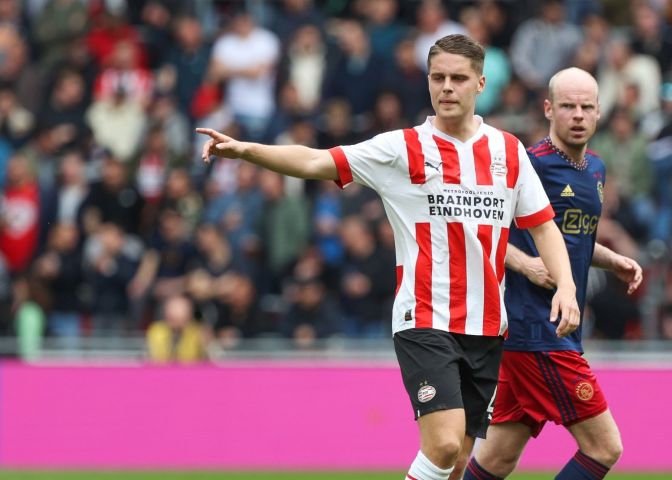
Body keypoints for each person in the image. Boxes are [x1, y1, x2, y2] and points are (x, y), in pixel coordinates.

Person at [198, 34, 579, 480]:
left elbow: (543, 226)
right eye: (438, 77)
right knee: (445, 443)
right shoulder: (401, 148)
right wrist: (245, 150)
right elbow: (316, 161)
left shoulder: (508, 152)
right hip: (424, 319)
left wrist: (567, 286)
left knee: (455, 464)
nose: (447, 87)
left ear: (480, 83)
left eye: (458, 78)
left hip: (487, 327)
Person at [463, 68, 643, 480]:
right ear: (549, 109)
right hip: (537, 331)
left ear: (599, 113)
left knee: (497, 460)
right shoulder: (528, 165)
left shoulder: (595, 169)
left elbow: (569, 241)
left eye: (586, 107)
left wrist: (613, 260)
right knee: (604, 447)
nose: (577, 115)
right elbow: (479, 230)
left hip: (549, 331)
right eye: (567, 106)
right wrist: (525, 264)